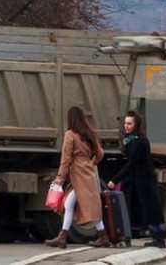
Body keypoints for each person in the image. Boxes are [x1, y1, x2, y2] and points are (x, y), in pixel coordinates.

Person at [45, 106, 109, 249]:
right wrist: (92, 162)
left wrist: (60, 178)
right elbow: (100, 153)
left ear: (71, 119)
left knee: (78, 205)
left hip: (78, 173)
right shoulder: (90, 133)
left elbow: (65, 158)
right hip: (88, 172)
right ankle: (101, 237)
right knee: (82, 205)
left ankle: (63, 237)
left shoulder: (70, 134)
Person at [107, 110, 166, 248]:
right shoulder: (131, 139)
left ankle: (159, 239)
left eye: (130, 123)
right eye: (125, 123)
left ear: (136, 124)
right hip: (139, 179)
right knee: (146, 209)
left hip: (145, 180)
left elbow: (131, 164)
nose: (126, 126)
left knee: (151, 209)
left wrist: (114, 180)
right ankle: (154, 237)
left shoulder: (139, 141)